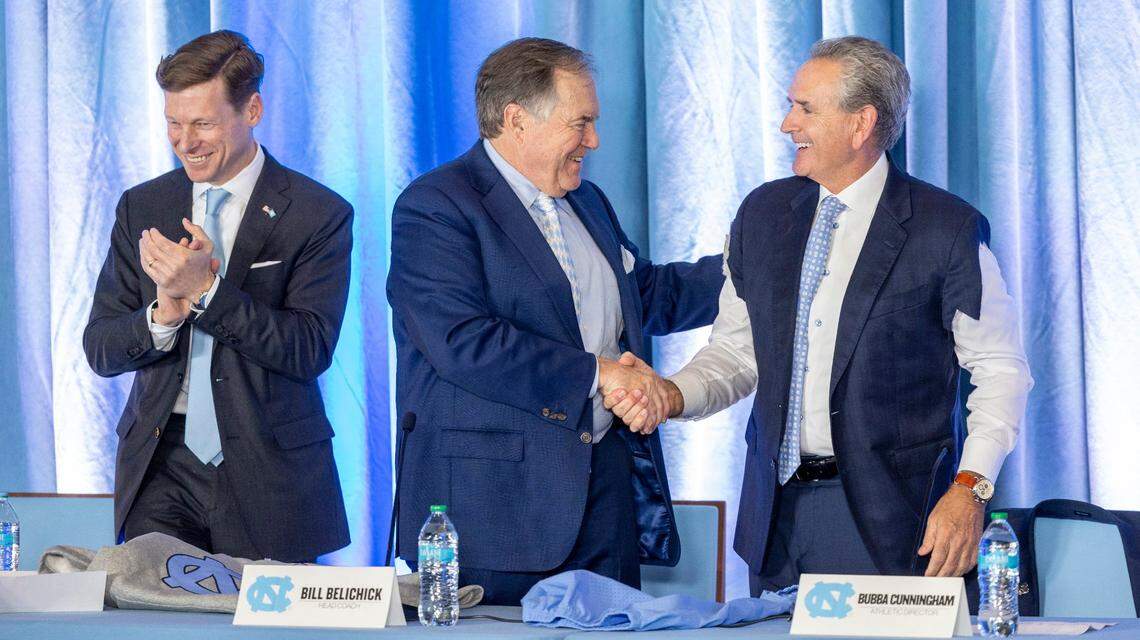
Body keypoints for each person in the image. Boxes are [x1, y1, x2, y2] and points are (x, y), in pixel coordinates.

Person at [606, 36, 1033, 594]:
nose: (787, 124)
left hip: (893, 523)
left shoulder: (946, 230)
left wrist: (970, 487)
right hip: (775, 521)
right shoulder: (762, 214)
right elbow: (737, 352)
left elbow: (1002, 372)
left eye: (805, 108)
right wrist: (670, 394)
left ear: (860, 125)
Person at [386, 37, 723, 605]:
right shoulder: (437, 206)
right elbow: (463, 342)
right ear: (516, 120)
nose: (593, 140)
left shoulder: (587, 200)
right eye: (582, 122)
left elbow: (645, 296)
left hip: (605, 504)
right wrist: (602, 375)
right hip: (496, 509)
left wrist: (753, 269)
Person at [83, 30, 353, 562]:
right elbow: (101, 347)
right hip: (161, 465)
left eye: (203, 123)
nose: (186, 142)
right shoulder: (143, 206)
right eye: (173, 123)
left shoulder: (317, 212)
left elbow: (307, 350)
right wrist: (165, 313)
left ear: (252, 109)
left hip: (267, 468)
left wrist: (206, 290)